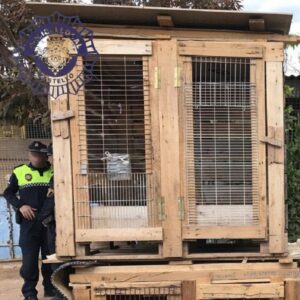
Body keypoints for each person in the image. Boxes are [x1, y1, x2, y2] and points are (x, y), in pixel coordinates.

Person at [3, 141, 55, 300]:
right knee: (29, 261)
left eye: (39, 154)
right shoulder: (19, 171)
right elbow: (9, 193)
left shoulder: (55, 171)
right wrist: (21, 206)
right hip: (29, 223)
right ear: (29, 155)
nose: (36, 157)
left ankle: (50, 289)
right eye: (33, 154)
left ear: (46, 155)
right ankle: (29, 293)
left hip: (49, 222)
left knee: (50, 258)